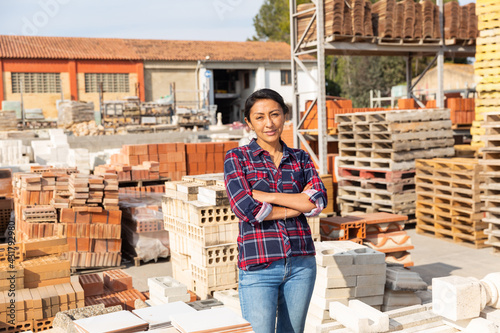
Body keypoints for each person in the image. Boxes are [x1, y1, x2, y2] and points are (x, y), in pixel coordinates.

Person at [224, 88, 327, 333]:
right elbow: (246, 209)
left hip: (301, 264)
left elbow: (317, 202)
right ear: (248, 123)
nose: (269, 123)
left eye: (275, 114)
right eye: (259, 117)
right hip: (259, 267)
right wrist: (296, 205)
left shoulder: (300, 158)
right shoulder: (237, 158)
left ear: (284, 116)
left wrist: (269, 197)